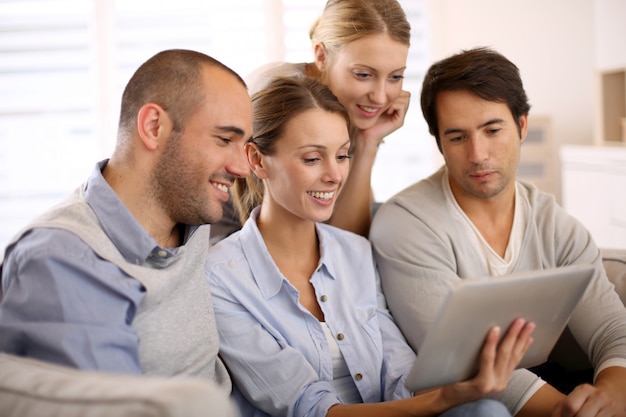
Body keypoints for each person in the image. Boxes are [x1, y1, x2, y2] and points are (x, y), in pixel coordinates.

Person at [205, 75, 536, 417]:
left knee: (486, 411)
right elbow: (310, 409)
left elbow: (399, 372)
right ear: (257, 161)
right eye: (312, 159)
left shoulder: (356, 252)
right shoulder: (220, 277)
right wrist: (445, 398)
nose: (334, 175)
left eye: (342, 155)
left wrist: (461, 381)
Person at [369, 47, 626, 417]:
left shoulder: (556, 225)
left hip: (547, 386)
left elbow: (612, 329)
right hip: (464, 402)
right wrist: (571, 411)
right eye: (457, 137)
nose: (478, 154)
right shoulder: (406, 223)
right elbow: (461, 359)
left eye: (492, 130)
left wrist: (611, 396)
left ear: (522, 125)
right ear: (439, 142)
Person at [0, 49, 253, 392]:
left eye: (245, 145)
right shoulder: (63, 259)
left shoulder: (192, 212)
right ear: (153, 127)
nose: (242, 168)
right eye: (225, 140)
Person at [210, 0, 411, 242]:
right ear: (321, 55)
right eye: (363, 75)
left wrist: (369, 141)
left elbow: (347, 248)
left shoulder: (348, 107)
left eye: (395, 76)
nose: (380, 97)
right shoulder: (282, 98)